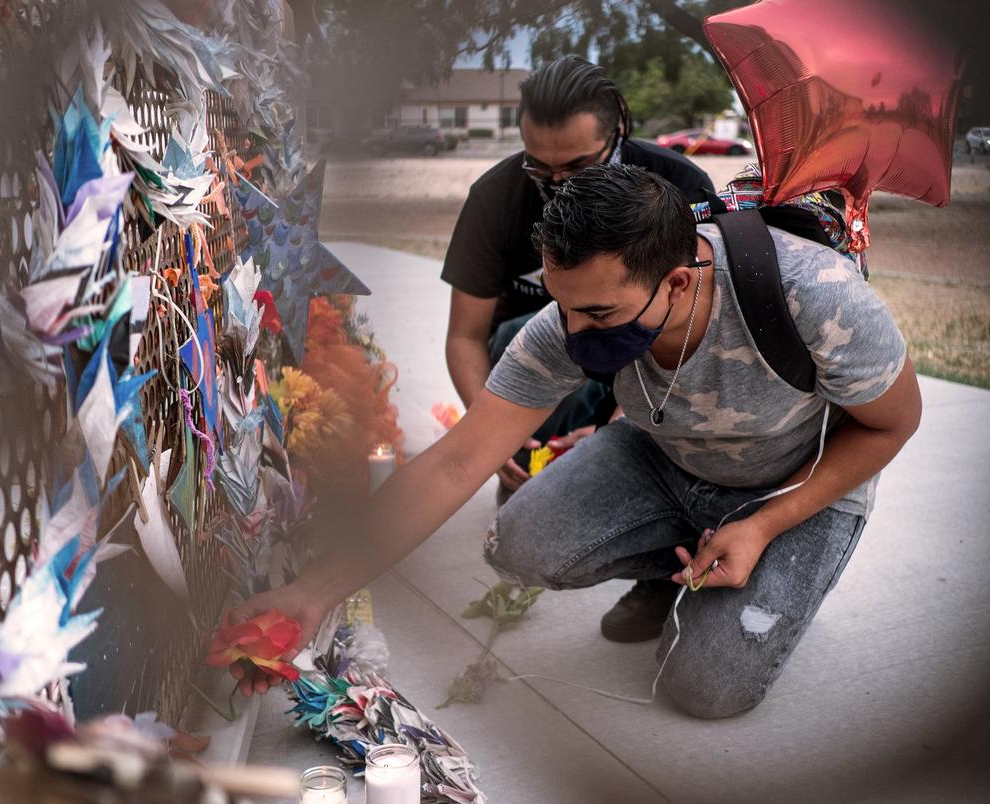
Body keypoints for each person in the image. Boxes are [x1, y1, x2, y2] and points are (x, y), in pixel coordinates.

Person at [225, 164, 920, 719]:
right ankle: (677, 555)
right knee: (517, 541)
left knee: (706, 692)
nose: (575, 333)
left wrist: (765, 523)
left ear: (678, 281)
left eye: (599, 312)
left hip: (794, 483)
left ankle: (772, 562)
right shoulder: (574, 318)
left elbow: (893, 423)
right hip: (665, 458)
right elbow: (458, 460)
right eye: (563, 305)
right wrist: (314, 589)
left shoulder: (816, 295)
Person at [441, 56, 714, 500]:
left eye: (577, 167)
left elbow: (696, 325)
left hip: (643, 364)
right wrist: (489, 437)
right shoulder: (494, 198)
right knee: (530, 335)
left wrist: (621, 431)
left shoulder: (679, 183)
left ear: (616, 135)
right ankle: (533, 478)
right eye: (538, 168)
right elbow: (465, 336)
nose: (556, 184)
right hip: (528, 374)